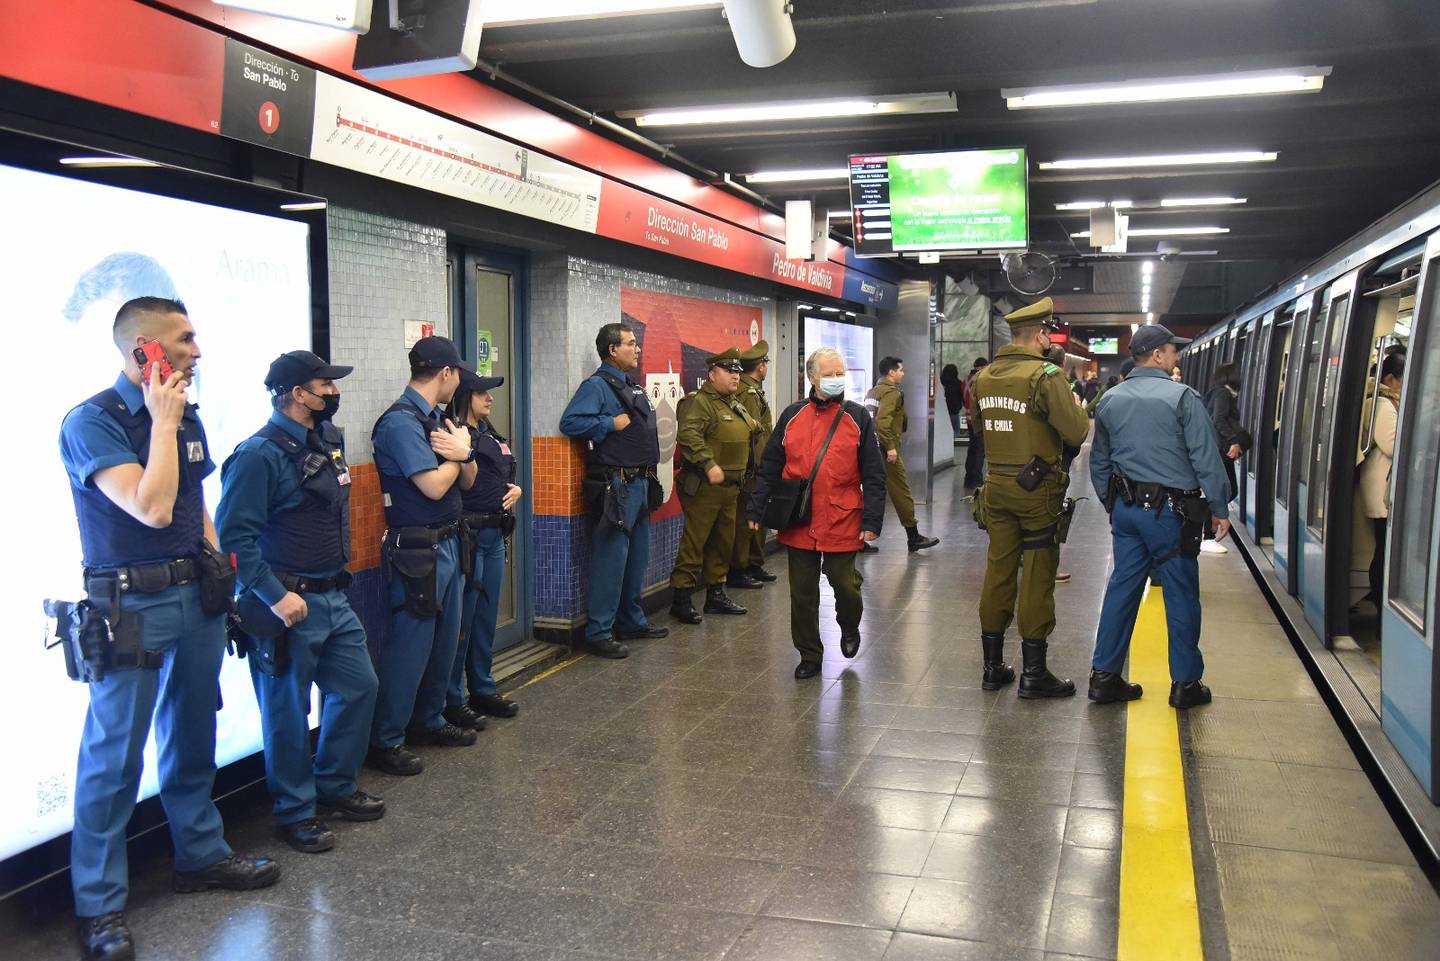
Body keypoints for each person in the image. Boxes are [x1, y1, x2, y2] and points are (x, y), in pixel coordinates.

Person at [58, 297, 279, 961]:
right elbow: (151, 506)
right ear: (143, 352)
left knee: (192, 731)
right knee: (114, 755)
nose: (197, 352)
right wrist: (160, 421)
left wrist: (218, 567)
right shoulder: (91, 423)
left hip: (195, 596)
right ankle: (98, 905)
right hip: (130, 607)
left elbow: (192, 503)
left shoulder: (188, 418)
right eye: (184, 340)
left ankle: (200, 856)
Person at [216, 351, 385, 855]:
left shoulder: (327, 440)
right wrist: (273, 595)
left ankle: (334, 785)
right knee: (287, 713)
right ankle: (295, 811)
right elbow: (233, 540)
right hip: (285, 605)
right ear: (297, 394)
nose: (333, 393)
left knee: (359, 688)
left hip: (332, 595)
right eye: (324, 386)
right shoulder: (258, 455)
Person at [1089, 324, 1232, 710]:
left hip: (1127, 512)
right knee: (1181, 594)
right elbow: (1206, 458)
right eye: (1172, 351)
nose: (1176, 357)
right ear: (1156, 355)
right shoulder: (1182, 398)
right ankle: (1185, 684)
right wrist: (1219, 507)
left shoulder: (1110, 400)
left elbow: (1099, 460)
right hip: (1172, 514)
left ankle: (1104, 677)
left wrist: (1110, 502)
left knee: (1123, 588)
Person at [366, 335, 479, 777]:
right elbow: (432, 485)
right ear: (446, 374)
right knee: (411, 645)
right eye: (457, 375)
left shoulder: (438, 418)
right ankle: (387, 739)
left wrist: (463, 454)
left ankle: (429, 720)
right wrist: (460, 456)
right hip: (418, 548)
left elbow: (466, 482)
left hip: (449, 540)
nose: (459, 384)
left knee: (445, 640)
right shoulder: (400, 423)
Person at [971, 298, 1091, 697]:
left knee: (999, 572)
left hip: (997, 488)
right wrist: (1076, 408)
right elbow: (1075, 433)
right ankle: (1034, 674)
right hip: (1037, 490)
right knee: (1038, 576)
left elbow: (980, 427)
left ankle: (991, 669)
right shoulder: (1046, 376)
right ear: (1040, 335)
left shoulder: (986, 376)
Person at [749, 347, 886, 678]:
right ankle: (809, 653)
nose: (838, 379)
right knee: (803, 593)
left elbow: (874, 474)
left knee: (845, 583)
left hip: (843, 517)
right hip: (800, 518)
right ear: (812, 377)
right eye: (830, 373)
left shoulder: (857, 418)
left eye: (841, 373)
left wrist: (872, 521)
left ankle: (849, 623)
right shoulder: (793, 416)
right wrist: (756, 507)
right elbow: (770, 466)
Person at [559, 322, 668, 660]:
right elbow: (570, 423)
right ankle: (599, 631)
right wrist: (608, 424)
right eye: (631, 344)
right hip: (617, 487)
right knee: (612, 560)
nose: (637, 349)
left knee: (636, 559)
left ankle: (631, 620)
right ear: (612, 350)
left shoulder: (630, 384)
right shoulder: (596, 386)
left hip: (640, 483)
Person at [446, 369, 524, 719]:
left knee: (485, 617)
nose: (490, 398)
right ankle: (453, 697)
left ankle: (482, 687)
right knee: (463, 620)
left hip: (494, 533)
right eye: (481, 393)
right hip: (469, 535)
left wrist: (516, 489)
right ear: (465, 397)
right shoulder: (456, 435)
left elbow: (502, 473)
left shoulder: (488, 433)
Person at [668, 348, 755, 623]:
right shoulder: (699, 402)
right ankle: (681, 599)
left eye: (738, 372)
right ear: (712, 374)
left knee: (722, 543)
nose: (735, 376)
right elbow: (689, 435)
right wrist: (708, 463)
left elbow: (750, 430)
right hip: (705, 486)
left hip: (730, 488)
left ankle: (716, 595)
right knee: (696, 542)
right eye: (729, 371)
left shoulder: (732, 403)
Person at [862, 357, 939, 553]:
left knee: (866, 492)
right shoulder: (891, 393)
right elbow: (882, 422)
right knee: (901, 491)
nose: (903, 373)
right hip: (885, 450)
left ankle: (857, 539)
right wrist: (890, 447)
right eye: (901, 370)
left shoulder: (873, 391)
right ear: (891, 372)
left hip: (870, 448)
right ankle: (913, 537)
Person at [1357, 353, 1404, 612]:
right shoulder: (1385, 404)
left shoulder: (1378, 400)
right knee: (1384, 551)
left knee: (1383, 548)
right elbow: (1392, 444)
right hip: (1382, 487)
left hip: (1378, 485)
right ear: (1391, 379)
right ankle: (1381, 608)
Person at [728, 340, 776, 589]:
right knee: (746, 520)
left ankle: (754, 564)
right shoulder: (747, 394)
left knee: (756, 519)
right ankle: (739, 568)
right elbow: (750, 435)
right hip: (752, 468)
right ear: (760, 367)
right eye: (766, 362)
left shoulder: (753, 390)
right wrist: (755, 467)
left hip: (758, 467)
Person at [1201, 363, 1245, 555]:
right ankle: (1209, 533)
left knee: (1223, 490)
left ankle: (1210, 531)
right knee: (1229, 489)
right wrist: (1234, 441)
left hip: (1216, 448)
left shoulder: (1215, 392)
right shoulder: (1223, 394)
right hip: (1221, 449)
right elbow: (1218, 419)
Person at [962, 357, 988, 488]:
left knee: (972, 449)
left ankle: (968, 478)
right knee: (980, 451)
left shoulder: (966, 380)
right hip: (978, 420)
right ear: (983, 367)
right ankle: (977, 480)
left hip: (968, 418)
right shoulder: (982, 379)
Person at [940, 363, 964, 437]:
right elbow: (962, 397)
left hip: (942, 413)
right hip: (954, 412)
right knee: (955, 434)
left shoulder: (941, 384)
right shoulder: (959, 384)